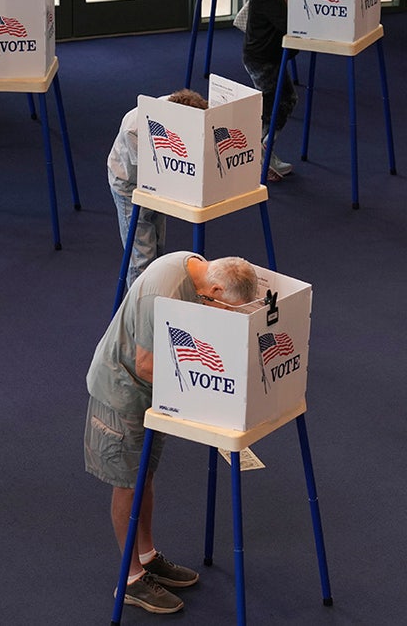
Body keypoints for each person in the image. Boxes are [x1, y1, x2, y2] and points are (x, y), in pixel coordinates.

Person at [84, 252, 259, 614]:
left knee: (144, 477)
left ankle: (147, 557)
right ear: (212, 289)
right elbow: (147, 365)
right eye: (224, 308)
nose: (223, 316)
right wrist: (209, 393)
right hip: (123, 389)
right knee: (128, 483)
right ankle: (130, 579)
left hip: (152, 393)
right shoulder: (161, 294)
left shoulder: (195, 269)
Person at [109, 89, 208, 287]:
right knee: (142, 255)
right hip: (130, 185)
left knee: (157, 247)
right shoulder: (135, 128)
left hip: (157, 183)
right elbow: (155, 170)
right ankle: (140, 309)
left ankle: (156, 296)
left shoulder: (178, 105)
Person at [243, 0, 304, 182]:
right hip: (263, 60)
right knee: (282, 103)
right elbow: (290, 25)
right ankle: (262, 152)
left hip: (266, 57)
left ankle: (263, 151)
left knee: (274, 105)